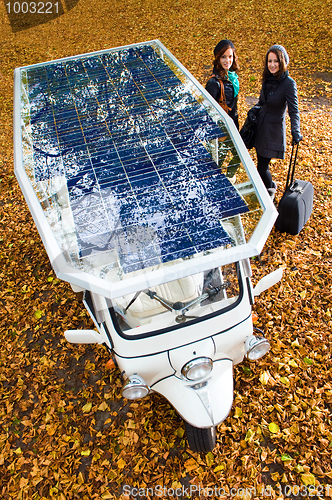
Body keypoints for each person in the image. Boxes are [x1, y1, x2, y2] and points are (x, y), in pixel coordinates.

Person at [252, 44, 302, 199]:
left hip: (273, 132)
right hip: (261, 127)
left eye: (276, 61)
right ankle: (267, 189)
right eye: (269, 61)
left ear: (282, 62)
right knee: (260, 163)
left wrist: (296, 131)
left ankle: (270, 192)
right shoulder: (267, 79)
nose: (272, 64)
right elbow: (262, 102)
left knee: (261, 166)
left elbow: (294, 111)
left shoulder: (288, 83)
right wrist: (254, 109)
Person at [205, 39, 240, 129]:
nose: (227, 60)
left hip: (233, 125)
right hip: (222, 129)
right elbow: (207, 112)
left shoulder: (232, 76)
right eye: (223, 57)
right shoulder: (214, 83)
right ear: (218, 58)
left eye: (230, 56)